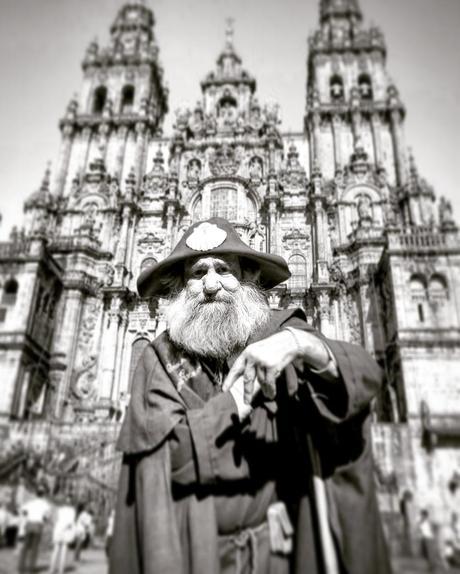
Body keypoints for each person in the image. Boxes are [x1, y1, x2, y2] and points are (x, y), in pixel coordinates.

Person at [110, 217, 392, 574]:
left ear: (248, 279)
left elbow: (364, 378)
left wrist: (301, 345)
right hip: (194, 553)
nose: (211, 285)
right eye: (198, 273)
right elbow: (162, 463)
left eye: (224, 270)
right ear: (180, 285)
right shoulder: (160, 360)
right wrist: (236, 404)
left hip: (277, 553)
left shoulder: (278, 330)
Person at [17, 485, 51, 573]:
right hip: (38, 525)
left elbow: (23, 511)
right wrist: (43, 520)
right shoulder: (45, 505)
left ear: (36, 494)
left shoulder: (30, 503)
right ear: (43, 494)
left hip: (29, 524)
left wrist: (27, 516)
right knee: (34, 548)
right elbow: (46, 517)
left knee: (25, 547)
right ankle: (31, 569)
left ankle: (21, 567)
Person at [48, 495, 76, 574]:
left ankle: (51, 569)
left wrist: (57, 527)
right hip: (66, 530)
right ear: (71, 502)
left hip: (58, 529)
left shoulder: (59, 510)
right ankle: (61, 570)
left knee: (55, 550)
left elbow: (54, 520)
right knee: (64, 550)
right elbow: (71, 522)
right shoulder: (72, 511)